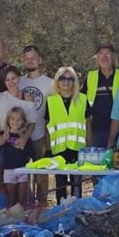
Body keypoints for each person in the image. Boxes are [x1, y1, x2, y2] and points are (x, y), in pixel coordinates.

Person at [46, 67, 91, 203]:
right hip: (58, 150)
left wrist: (88, 147)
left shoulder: (83, 99)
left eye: (70, 79)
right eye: (62, 78)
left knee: (76, 185)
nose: (66, 82)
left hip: (77, 150)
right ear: (57, 81)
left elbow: (88, 125)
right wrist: (47, 149)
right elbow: (46, 127)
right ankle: (61, 212)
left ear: (75, 82)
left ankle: (75, 213)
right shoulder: (51, 101)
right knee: (60, 184)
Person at [0, 67, 37, 195]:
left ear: (19, 78)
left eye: (13, 78)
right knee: (3, 181)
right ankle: (7, 208)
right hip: (3, 143)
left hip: (20, 142)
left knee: (22, 180)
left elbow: (32, 122)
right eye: (7, 80)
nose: (11, 82)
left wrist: (24, 139)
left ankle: (23, 208)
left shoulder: (28, 97)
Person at [18, 45, 54, 206]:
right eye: (27, 58)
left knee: (41, 175)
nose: (30, 61)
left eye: (33, 58)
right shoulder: (19, 82)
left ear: (40, 60)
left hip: (41, 134)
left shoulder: (50, 83)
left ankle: (43, 204)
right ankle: (27, 205)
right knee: (23, 174)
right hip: (21, 135)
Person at [82, 43, 119, 148]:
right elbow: (81, 101)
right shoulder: (90, 77)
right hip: (97, 130)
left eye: (107, 54)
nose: (104, 57)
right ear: (97, 58)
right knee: (98, 162)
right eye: (101, 54)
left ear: (114, 57)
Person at [0, 107, 33, 207]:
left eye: (19, 119)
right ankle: (12, 219)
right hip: (9, 170)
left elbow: (32, 153)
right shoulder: (4, 134)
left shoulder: (25, 136)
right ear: (8, 120)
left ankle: (22, 219)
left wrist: (23, 147)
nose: (15, 122)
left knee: (22, 201)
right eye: (13, 119)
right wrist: (2, 141)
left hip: (22, 170)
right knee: (11, 200)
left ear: (23, 121)